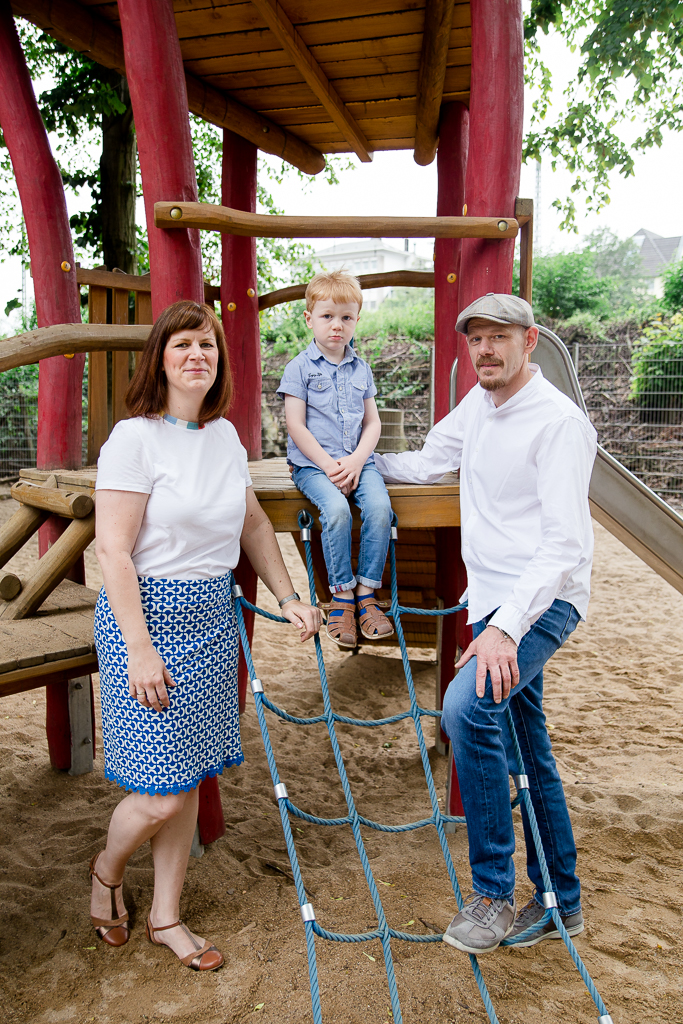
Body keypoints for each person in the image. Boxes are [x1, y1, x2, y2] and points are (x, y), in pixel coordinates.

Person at [91, 300, 321, 971]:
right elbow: (113, 551)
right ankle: (106, 872)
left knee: (187, 776)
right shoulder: (132, 439)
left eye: (209, 345)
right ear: (159, 359)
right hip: (146, 619)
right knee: (159, 791)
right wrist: (138, 649)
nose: (198, 355)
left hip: (213, 618)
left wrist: (289, 595)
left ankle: (165, 916)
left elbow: (252, 524)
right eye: (183, 344)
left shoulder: (223, 438)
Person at [375, 293, 597, 955]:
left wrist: (504, 629)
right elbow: (425, 461)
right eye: (475, 339)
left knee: (465, 709)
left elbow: (562, 546)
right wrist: (357, 465)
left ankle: (493, 893)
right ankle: (561, 901)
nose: (485, 350)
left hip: (541, 601)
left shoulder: (558, 423)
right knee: (527, 745)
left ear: (530, 341)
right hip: (492, 601)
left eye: (499, 336)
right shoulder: (478, 404)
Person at [277, 270, 393, 648]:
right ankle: (341, 594)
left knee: (380, 508)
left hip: (359, 461)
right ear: (309, 319)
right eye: (327, 316)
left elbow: (373, 423)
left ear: (357, 319)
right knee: (338, 512)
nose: (337, 325)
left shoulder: (362, 369)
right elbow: (295, 425)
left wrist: (357, 460)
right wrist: (329, 466)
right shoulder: (299, 368)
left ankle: (366, 592)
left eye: (346, 317)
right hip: (313, 466)